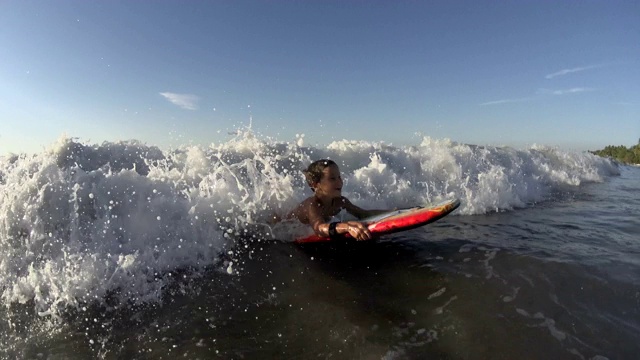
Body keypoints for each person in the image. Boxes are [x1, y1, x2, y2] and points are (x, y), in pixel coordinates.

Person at [287, 159, 389, 241]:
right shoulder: (312, 205)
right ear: (315, 184)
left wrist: (392, 212)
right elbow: (319, 228)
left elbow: (363, 214)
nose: (339, 182)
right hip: (283, 227)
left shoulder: (339, 202)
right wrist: (347, 227)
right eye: (332, 179)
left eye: (339, 177)